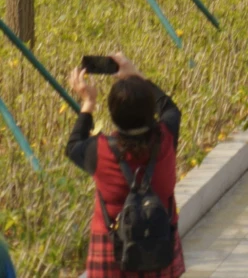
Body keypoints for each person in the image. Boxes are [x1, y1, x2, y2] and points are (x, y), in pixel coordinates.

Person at [66, 52, 184, 277]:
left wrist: (88, 103)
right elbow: (170, 109)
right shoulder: (167, 137)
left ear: (113, 113)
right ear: (151, 111)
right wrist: (138, 76)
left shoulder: (99, 150)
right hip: (158, 244)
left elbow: (73, 146)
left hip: (112, 250)